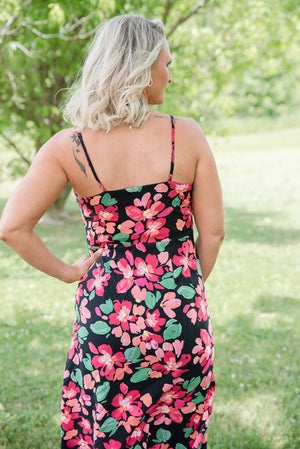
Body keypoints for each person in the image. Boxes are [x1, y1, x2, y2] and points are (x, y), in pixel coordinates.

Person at [0, 14, 225, 449]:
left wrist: (68, 272)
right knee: (177, 432)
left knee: (109, 428)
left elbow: (12, 227)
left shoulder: (69, 147)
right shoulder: (188, 135)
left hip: (108, 317)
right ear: (141, 68)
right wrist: (183, 287)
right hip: (180, 314)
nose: (171, 76)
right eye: (166, 63)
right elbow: (212, 233)